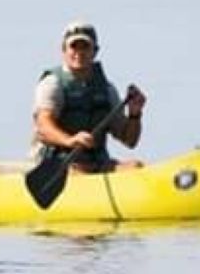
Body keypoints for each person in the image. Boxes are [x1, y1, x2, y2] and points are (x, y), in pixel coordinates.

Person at [31, 20, 147, 172]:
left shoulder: (107, 90)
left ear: (95, 51)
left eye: (85, 47)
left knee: (135, 167)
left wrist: (135, 114)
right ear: (64, 50)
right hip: (56, 167)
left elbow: (130, 140)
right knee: (79, 171)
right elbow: (43, 127)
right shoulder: (52, 84)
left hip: (96, 164)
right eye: (74, 47)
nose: (79, 53)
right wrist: (70, 141)